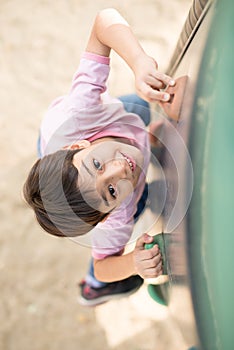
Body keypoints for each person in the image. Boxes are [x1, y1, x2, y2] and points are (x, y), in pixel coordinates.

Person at [23, 8, 175, 306]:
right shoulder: (117, 215)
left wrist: (139, 62)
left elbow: (104, 21)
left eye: (97, 165)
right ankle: (92, 290)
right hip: (90, 152)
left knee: (138, 105)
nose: (119, 169)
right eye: (110, 190)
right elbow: (106, 265)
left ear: (78, 146)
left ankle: (144, 140)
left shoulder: (81, 114)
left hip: (68, 131)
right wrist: (133, 262)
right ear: (107, 214)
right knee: (139, 200)